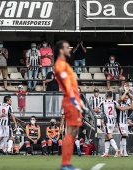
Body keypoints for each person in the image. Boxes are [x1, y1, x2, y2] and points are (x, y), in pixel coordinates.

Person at [55, 40, 87, 170]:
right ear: (61, 50)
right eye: (68, 47)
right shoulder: (59, 65)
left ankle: (67, 163)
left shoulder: (65, 64)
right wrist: (74, 100)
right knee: (71, 131)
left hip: (73, 98)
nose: (70, 49)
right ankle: (65, 164)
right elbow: (67, 84)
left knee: (74, 131)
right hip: (70, 100)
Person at [95, 91, 133, 157]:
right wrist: (129, 107)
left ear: (106, 95)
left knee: (109, 136)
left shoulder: (103, 102)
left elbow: (95, 110)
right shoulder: (114, 102)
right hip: (113, 122)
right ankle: (106, 153)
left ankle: (117, 149)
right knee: (106, 136)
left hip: (106, 121)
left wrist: (97, 110)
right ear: (111, 96)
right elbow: (121, 108)